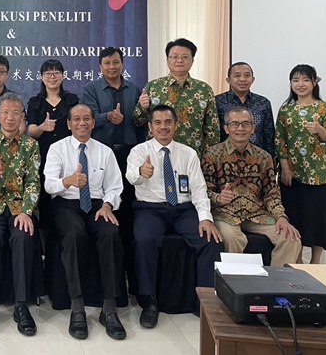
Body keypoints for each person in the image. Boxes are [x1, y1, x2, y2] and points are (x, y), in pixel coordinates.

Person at [126, 104, 223, 328]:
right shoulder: (139, 151)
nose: (163, 127)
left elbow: (198, 188)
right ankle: (148, 301)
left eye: (168, 122)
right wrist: (141, 172)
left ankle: (205, 301)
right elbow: (131, 177)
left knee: (211, 240)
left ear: (176, 125)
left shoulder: (188, 153)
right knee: (143, 241)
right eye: (158, 122)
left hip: (182, 210)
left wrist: (205, 218)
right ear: (150, 126)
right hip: (150, 209)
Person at [44, 104, 126, 341]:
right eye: (77, 119)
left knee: (110, 233)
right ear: (69, 124)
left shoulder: (104, 151)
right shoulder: (57, 148)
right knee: (74, 234)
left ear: (93, 122)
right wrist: (68, 181)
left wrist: (108, 205)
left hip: (98, 206)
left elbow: (115, 187)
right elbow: (49, 184)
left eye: (87, 118)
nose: (82, 123)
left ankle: (109, 308)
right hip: (65, 204)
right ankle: (77, 306)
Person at [0, 92, 41, 336]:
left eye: (15, 113)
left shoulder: (31, 146)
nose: (10, 117)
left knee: (22, 237)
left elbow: (33, 181)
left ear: (23, 116)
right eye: (6, 112)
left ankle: (21, 305)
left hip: (19, 206)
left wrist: (26, 211)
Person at [202, 106, 301, 266]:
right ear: (226, 128)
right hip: (224, 214)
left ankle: (276, 280)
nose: (240, 128)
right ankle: (235, 281)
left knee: (290, 238)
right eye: (234, 124)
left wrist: (281, 217)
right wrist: (218, 198)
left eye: (245, 124)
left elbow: (271, 194)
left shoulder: (264, 157)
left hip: (257, 214)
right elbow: (204, 191)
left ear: (253, 128)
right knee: (232, 238)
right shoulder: (212, 155)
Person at [82, 47, 145, 292]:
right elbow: (87, 117)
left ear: (122, 64)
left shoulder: (134, 89)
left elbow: (140, 121)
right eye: (107, 63)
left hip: (129, 154)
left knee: (127, 209)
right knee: (106, 206)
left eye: (116, 62)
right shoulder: (91, 89)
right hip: (103, 155)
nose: (112, 67)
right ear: (100, 66)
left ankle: (128, 269)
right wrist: (106, 117)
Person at [276, 64, 326, 264]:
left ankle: (315, 261)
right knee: (295, 216)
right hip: (293, 174)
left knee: (319, 219)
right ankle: (297, 259)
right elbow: (280, 140)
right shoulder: (286, 110)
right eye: (295, 80)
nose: (300, 84)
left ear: (314, 82)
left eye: (305, 80)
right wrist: (285, 168)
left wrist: (320, 129)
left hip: (319, 174)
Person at [134, 38, 219, 157]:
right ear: (167, 60)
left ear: (192, 60)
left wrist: (209, 158)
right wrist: (143, 108)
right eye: (174, 57)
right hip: (158, 155)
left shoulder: (204, 90)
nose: (179, 60)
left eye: (185, 57)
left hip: (194, 156)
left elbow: (212, 129)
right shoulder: (153, 87)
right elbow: (138, 121)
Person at [27, 59, 79, 231]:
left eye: (56, 73)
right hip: (42, 156)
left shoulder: (72, 101)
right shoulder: (35, 102)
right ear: (42, 77)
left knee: (67, 198)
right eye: (48, 73)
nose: (52, 76)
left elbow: (78, 127)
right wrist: (42, 127)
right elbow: (31, 131)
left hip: (68, 157)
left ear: (63, 76)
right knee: (44, 201)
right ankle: (45, 245)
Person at [215, 62, 275, 158]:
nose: (242, 79)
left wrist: (271, 159)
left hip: (257, 158)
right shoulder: (217, 102)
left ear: (253, 79)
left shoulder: (263, 103)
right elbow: (213, 133)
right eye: (237, 76)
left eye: (247, 75)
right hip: (224, 158)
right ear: (228, 80)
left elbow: (269, 135)